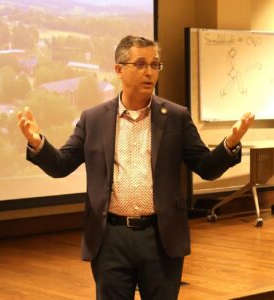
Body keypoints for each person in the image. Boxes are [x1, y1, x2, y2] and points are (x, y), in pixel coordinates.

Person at [17, 35, 255, 300]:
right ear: (119, 69)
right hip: (110, 238)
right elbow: (61, 165)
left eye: (155, 65)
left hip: (160, 237)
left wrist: (230, 143)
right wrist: (37, 143)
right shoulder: (93, 119)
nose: (149, 72)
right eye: (140, 64)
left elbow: (206, 168)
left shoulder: (176, 117)